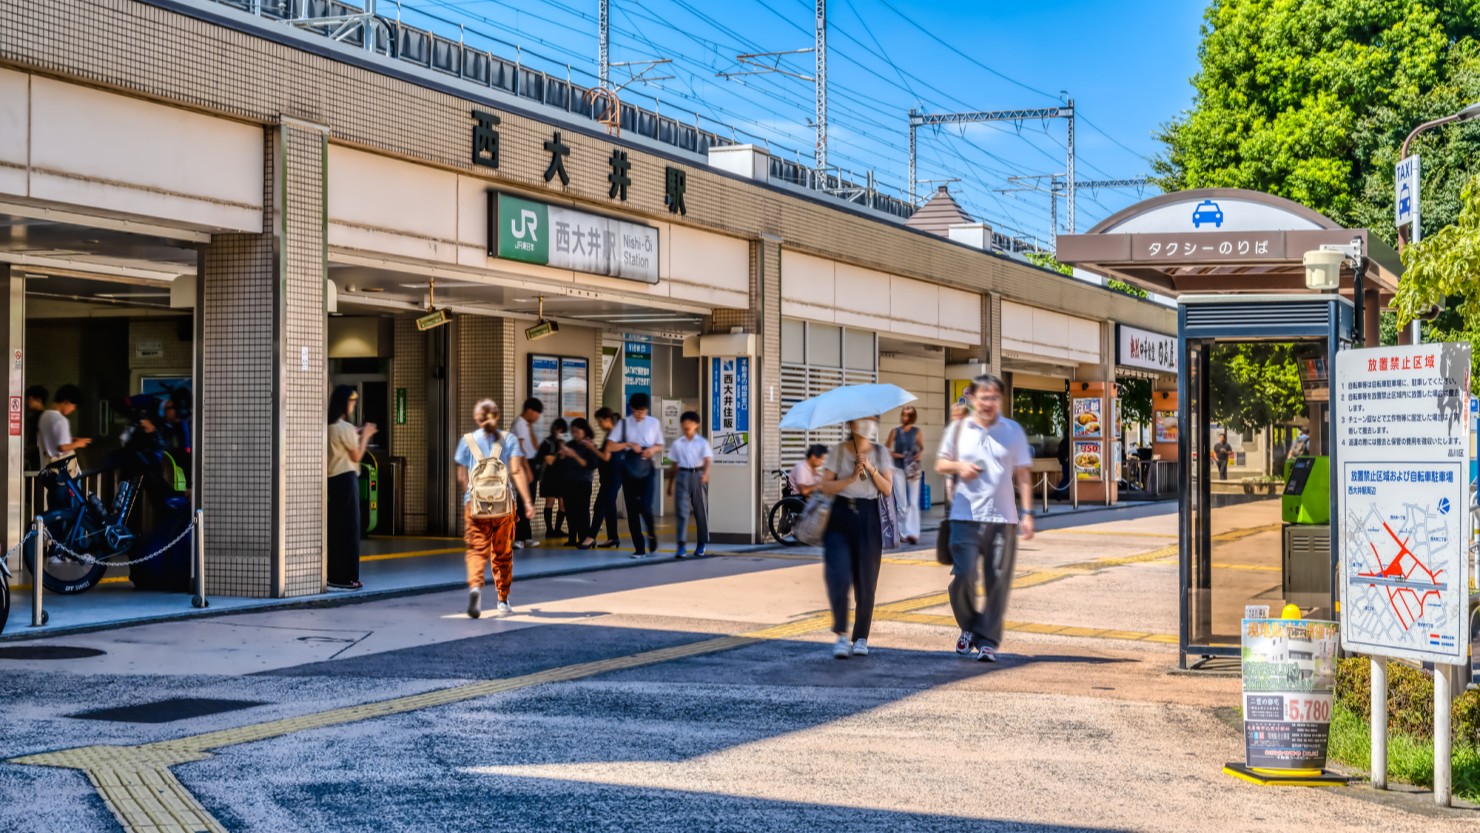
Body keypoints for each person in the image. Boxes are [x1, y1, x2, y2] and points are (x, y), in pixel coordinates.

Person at [935, 373, 1034, 663]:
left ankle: (987, 641)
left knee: (997, 582)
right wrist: (959, 466)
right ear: (974, 399)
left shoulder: (1012, 430)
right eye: (984, 396)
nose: (989, 402)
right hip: (964, 517)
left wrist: (1027, 513)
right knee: (963, 576)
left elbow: (1024, 474)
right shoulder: (958, 429)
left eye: (995, 397)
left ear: (1000, 400)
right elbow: (940, 463)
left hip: (1003, 519)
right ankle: (969, 625)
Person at [816, 414, 894, 659]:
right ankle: (841, 634)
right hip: (841, 514)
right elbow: (825, 486)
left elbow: (887, 488)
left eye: (871, 420)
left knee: (866, 580)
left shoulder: (881, 453)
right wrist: (849, 477)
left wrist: (870, 468)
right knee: (838, 575)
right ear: (851, 424)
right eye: (862, 420)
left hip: (868, 516)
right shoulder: (838, 451)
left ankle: (860, 637)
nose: (867, 424)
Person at [455, 398, 534, 618]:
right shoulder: (508, 439)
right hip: (504, 506)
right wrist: (527, 502)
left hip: (475, 505)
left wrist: (470, 496)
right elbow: (517, 472)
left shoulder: (467, 441)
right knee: (502, 553)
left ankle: (475, 591)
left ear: (477, 419)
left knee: (476, 550)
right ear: (497, 416)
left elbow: (462, 475)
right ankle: (502, 599)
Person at [326, 385, 376, 590]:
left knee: (337, 529)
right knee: (350, 529)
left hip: (332, 480)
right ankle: (348, 578)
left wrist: (357, 432)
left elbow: (343, 435)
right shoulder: (345, 428)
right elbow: (356, 456)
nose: (354, 405)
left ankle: (334, 574)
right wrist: (366, 436)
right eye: (352, 401)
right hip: (347, 479)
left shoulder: (329, 426)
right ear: (344, 403)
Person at [609, 392, 664, 558]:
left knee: (645, 506)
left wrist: (651, 450)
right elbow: (610, 446)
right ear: (632, 408)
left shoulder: (653, 423)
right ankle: (639, 547)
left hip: (647, 468)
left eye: (644, 411)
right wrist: (628, 444)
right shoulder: (624, 424)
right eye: (638, 411)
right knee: (632, 509)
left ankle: (652, 534)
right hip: (629, 468)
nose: (641, 415)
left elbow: (659, 444)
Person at [665, 411, 713, 559]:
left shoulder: (702, 443)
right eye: (685, 422)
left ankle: (701, 543)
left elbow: (708, 460)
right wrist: (670, 484)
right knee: (681, 513)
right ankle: (681, 546)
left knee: (701, 512)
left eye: (691, 422)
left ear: (696, 424)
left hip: (698, 476)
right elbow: (674, 465)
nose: (687, 424)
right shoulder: (677, 444)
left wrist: (706, 474)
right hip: (682, 476)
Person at [560, 418, 603, 549]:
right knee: (570, 510)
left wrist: (574, 456)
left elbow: (590, 465)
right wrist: (562, 455)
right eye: (572, 432)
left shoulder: (590, 446)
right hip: (568, 481)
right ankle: (572, 537)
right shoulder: (570, 444)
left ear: (585, 431)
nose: (574, 434)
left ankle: (584, 537)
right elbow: (562, 463)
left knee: (582, 511)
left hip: (583, 482)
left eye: (577, 431)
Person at [886, 406, 924, 545]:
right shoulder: (895, 432)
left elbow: (921, 447)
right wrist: (899, 455)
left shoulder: (917, 432)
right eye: (903, 414)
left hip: (913, 468)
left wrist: (919, 454)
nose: (904, 417)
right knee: (901, 503)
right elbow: (886, 449)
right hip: (897, 468)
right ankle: (903, 533)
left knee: (913, 502)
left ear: (912, 417)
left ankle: (913, 533)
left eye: (908, 415)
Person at [510, 398, 544, 549]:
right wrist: (528, 470)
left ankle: (526, 537)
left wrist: (531, 427)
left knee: (529, 501)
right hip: (523, 464)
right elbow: (520, 449)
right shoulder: (519, 424)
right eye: (537, 413)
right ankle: (518, 538)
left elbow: (534, 445)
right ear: (529, 410)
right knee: (523, 502)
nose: (538, 417)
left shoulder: (526, 425)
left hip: (530, 462)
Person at [588, 407, 622, 549]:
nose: (599, 424)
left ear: (606, 419)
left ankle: (591, 537)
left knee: (600, 506)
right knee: (609, 507)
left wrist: (592, 448)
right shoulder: (614, 433)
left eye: (599, 421)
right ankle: (613, 537)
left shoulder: (613, 434)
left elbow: (606, 457)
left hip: (612, 476)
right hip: (611, 475)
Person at [38, 384, 91, 468]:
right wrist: (79, 444)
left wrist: (72, 439)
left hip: (46, 465)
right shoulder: (61, 420)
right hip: (61, 469)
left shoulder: (44, 416)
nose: (73, 409)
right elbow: (62, 447)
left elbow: (51, 438)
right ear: (67, 402)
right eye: (74, 406)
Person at [537, 418, 569, 542]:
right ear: (555, 429)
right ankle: (549, 530)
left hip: (562, 476)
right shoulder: (548, 442)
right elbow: (549, 460)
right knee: (549, 502)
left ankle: (557, 529)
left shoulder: (565, 442)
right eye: (560, 430)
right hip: (549, 476)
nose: (561, 432)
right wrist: (559, 451)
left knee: (563, 504)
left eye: (563, 431)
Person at [943, 402, 971, 506]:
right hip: (953, 471)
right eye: (954, 415)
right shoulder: (949, 432)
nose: (955, 418)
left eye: (959, 415)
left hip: (968, 472)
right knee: (953, 497)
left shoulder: (974, 433)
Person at [23, 385, 46, 473]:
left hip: (38, 462)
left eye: (29, 399)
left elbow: (36, 442)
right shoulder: (39, 417)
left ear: (39, 400)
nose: (26, 402)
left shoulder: (38, 417)